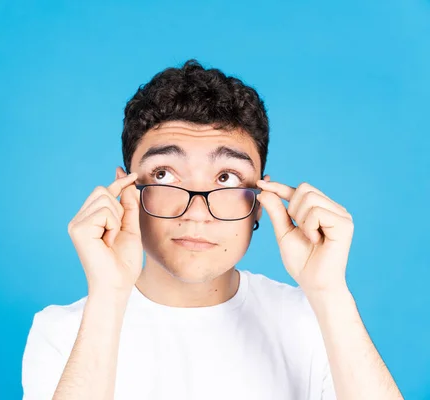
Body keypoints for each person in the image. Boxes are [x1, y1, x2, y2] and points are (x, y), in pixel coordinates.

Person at [21, 60, 403, 400]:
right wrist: (107, 295)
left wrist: (329, 291)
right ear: (124, 192)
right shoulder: (62, 331)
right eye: (164, 174)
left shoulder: (317, 320)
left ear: (262, 199)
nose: (197, 212)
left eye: (226, 177)